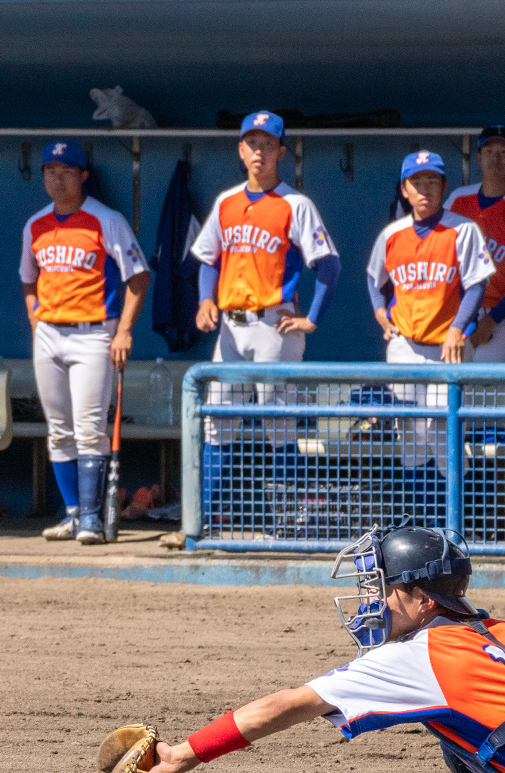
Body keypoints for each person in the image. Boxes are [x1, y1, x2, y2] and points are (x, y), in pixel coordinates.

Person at [130, 523, 505, 773]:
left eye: (383, 588)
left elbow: (284, 706)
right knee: (462, 750)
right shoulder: (492, 632)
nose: (372, 599)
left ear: (424, 600)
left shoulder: (419, 655)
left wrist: (179, 757)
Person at [190, 112, 341, 520]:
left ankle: (288, 521)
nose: (259, 151)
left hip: (275, 324)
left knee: (280, 426)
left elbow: (329, 266)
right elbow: (208, 258)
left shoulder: (295, 204)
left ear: (280, 152)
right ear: (240, 150)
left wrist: (311, 318)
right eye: (252, 143)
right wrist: (206, 299)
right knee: (217, 425)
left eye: (267, 144)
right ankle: (205, 522)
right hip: (231, 327)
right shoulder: (226, 201)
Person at [19, 141, 151, 544]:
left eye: (66, 171)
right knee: (58, 430)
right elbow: (28, 278)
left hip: (94, 332)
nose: (57, 179)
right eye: (50, 171)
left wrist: (124, 330)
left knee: (89, 428)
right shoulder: (36, 224)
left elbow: (138, 276)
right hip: (49, 332)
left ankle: (92, 518)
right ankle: (73, 513)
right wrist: (34, 318)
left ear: (83, 176)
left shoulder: (104, 219)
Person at [368, 151, 495, 523]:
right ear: (405, 190)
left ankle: (455, 529)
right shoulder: (392, 234)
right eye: (417, 182)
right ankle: (423, 526)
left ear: (443, 186)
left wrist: (459, 328)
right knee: (410, 438)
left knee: (446, 438)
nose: (425, 189)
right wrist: (380, 312)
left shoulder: (462, 228)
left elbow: (476, 285)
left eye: (433, 181)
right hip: (405, 346)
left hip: (448, 349)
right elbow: (374, 281)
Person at [443, 126, 505, 363]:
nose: (496, 158)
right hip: (458, 314)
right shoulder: (459, 198)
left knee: (489, 392)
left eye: (503, 151)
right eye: (489, 151)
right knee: (451, 390)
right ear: (478, 157)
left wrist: (491, 321)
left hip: (498, 316)